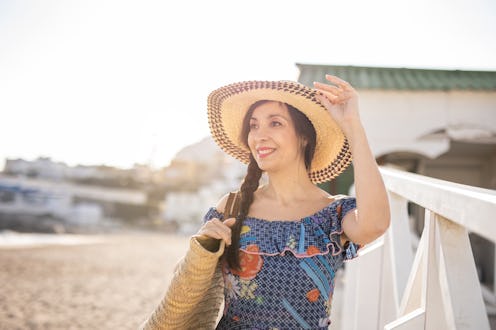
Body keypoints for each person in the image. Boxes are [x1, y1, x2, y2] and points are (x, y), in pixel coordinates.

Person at [142, 75, 390, 329]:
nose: (259, 135)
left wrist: (353, 127)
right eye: (254, 125)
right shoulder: (231, 207)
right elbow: (185, 282)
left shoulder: (333, 214)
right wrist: (202, 247)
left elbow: (375, 224)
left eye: (275, 123)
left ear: (304, 136)